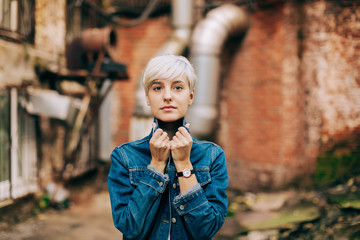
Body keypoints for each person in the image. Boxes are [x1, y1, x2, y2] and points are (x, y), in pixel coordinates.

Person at [108, 54, 228, 240]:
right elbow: (129, 227)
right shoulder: (124, 156)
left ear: (190, 96)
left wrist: (184, 164)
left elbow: (206, 229)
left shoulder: (212, 156)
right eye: (157, 88)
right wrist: (155, 165)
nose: (167, 96)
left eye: (177, 87)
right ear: (147, 97)